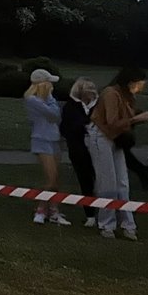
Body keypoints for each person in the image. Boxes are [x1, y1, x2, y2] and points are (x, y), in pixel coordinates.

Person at [87, 66, 148, 241]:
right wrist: (137, 119)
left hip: (116, 138)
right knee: (108, 183)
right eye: (140, 84)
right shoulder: (111, 93)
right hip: (101, 136)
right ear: (130, 82)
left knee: (122, 183)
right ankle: (106, 225)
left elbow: (124, 118)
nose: (141, 88)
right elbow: (112, 122)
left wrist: (141, 116)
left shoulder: (128, 96)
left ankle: (128, 225)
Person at [23, 68, 71, 226]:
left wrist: (49, 99)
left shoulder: (47, 98)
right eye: (49, 82)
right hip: (41, 140)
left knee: (56, 179)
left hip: (53, 139)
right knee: (50, 179)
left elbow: (55, 115)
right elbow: (54, 114)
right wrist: (50, 101)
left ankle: (54, 211)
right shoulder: (32, 100)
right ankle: (41, 209)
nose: (52, 85)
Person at [59, 77, 99, 227]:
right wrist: (83, 125)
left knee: (102, 179)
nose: (92, 95)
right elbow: (64, 129)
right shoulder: (71, 107)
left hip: (98, 148)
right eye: (88, 92)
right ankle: (90, 215)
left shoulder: (97, 105)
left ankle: (106, 212)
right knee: (86, 181)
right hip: (79, 149)